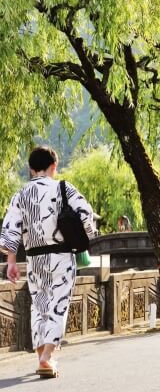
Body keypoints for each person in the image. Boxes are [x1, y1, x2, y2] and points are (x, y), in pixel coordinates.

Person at [1, 147, 97, 378]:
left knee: (39, 305)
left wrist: (11, 262)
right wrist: (88, 236)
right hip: (61, 255)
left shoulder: (21, 194)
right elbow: (86, 214)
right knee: (59, 303)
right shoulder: (63, 187)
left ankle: (42, 356)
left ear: (31, 169)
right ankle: (47, 356)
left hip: (34, 259)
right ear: (54, 166)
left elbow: (10, 228)